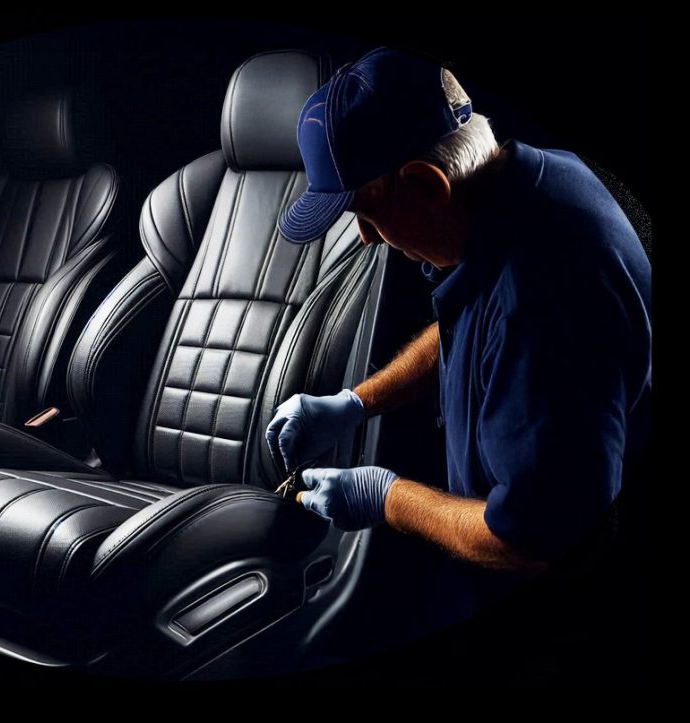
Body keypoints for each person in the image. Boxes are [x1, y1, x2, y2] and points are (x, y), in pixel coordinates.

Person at [266, 47, 652, 577]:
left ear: (428, 184)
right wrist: (355, 403)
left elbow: (527, 538)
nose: (368, 239)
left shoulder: (542, 302)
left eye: (368, 215)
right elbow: (466, 320)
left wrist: (387, 499)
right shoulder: (537, 180)